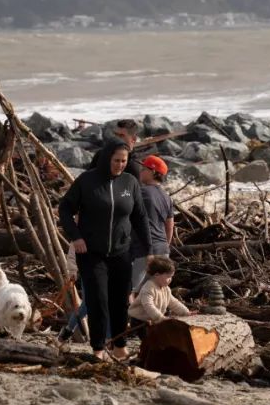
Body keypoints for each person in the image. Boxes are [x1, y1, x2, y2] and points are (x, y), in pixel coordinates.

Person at [59, 142, 151, 360]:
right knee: (98, 299)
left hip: (121, 252)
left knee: (120, 300)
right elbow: (64, 209)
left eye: (124, 161)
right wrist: (76, 237)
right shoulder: (87, 181)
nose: (120, 165)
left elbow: (139, 217)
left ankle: (119, 345)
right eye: (116, 160)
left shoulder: (130, 183)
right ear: (107, 158)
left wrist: (149, 250)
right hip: (91, 253)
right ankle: (98, 348)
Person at [130, 154, 175, 293]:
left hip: (143, 249)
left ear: (154, 172)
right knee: (153, 291)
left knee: (130, 290)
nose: (140, 171)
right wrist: (165, 245)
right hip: (162, 249)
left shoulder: (141, 192)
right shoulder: (166, 197)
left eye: (144, 168)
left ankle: (126, 315)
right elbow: (170, 226)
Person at [128, 256, 192, 324]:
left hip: (154, 318)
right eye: (168, 277)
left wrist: (186, 312)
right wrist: (160, 317)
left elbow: (173, 302)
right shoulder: (148, 288)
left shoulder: (166, 289)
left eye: (171, 277)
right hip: (140, 319)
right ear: (157, 275)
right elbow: (148, 306)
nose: (170, 279)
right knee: (145, 333)